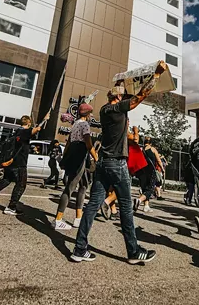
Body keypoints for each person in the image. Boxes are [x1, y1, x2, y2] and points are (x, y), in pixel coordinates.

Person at [71, 60, 167, 264]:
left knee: (93, 205)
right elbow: (139, 97)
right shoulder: (116, 110)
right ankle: (133, 252)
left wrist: (124, 81)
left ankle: (80, 249)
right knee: (125, 206)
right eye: (123, 94)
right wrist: (156, 75)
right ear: (120, 97)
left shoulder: (106, 110)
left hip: (104, 164)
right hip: (116, 164)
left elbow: (132, 97)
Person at [0, 112, 50, 215]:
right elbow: (35, 130)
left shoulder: (17, 132)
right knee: (21, 184)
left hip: (10, 163)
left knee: (6, 181)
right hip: (19, 163)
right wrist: (44, 120)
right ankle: (11, 207)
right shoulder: (24, 132)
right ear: (29, 123)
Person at [53, 103, 98, 230]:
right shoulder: (84, 125)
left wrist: (64, 158)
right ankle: (58, 219)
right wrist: (96, 158)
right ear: (88, 114)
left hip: (74, 156)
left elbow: (68, 143)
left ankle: (78, 218)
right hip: (80, 157)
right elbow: (89, 145)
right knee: (70, 187)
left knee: (84, 185)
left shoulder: (75, 124)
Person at [133, 135, 161, 213]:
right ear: (151, 143)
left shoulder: (141, 149)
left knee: (144, 188)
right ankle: (139, 200)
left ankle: (146, 206)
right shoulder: (153, 149)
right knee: (150, 189)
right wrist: (162, 168)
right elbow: (158, 160)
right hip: (150, 171)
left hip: (141, 171)